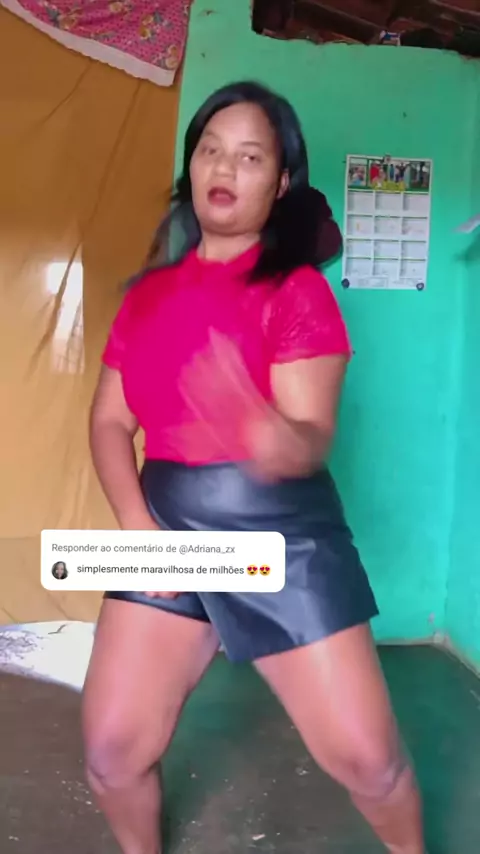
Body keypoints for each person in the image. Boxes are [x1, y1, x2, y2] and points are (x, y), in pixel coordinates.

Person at [83, 81, 426, 854]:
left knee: (370, 764)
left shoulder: (298, 292)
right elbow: (109, 421)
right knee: (111, 752)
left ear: (280, 182)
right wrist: (137, 527)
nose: (224, 167)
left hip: (280, 536)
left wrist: (269, 433)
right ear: (191, 166)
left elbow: (309, 438)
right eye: (210, 149)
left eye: (249, 156)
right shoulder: (147, 298)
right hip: (164, 524)